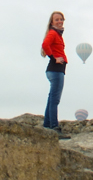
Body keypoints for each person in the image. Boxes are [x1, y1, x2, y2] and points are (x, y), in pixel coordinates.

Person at [40, 11, 70, 139]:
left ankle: (47, 125)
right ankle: (54, 127)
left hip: (55, 70)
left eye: (61, 19)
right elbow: (45, 45)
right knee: (55, 99)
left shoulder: (57, 34)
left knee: (52, 98)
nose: (60, 21)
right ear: (52, 22)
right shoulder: (53, 33)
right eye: (57, 19)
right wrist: (54, 58)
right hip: (55, 69)